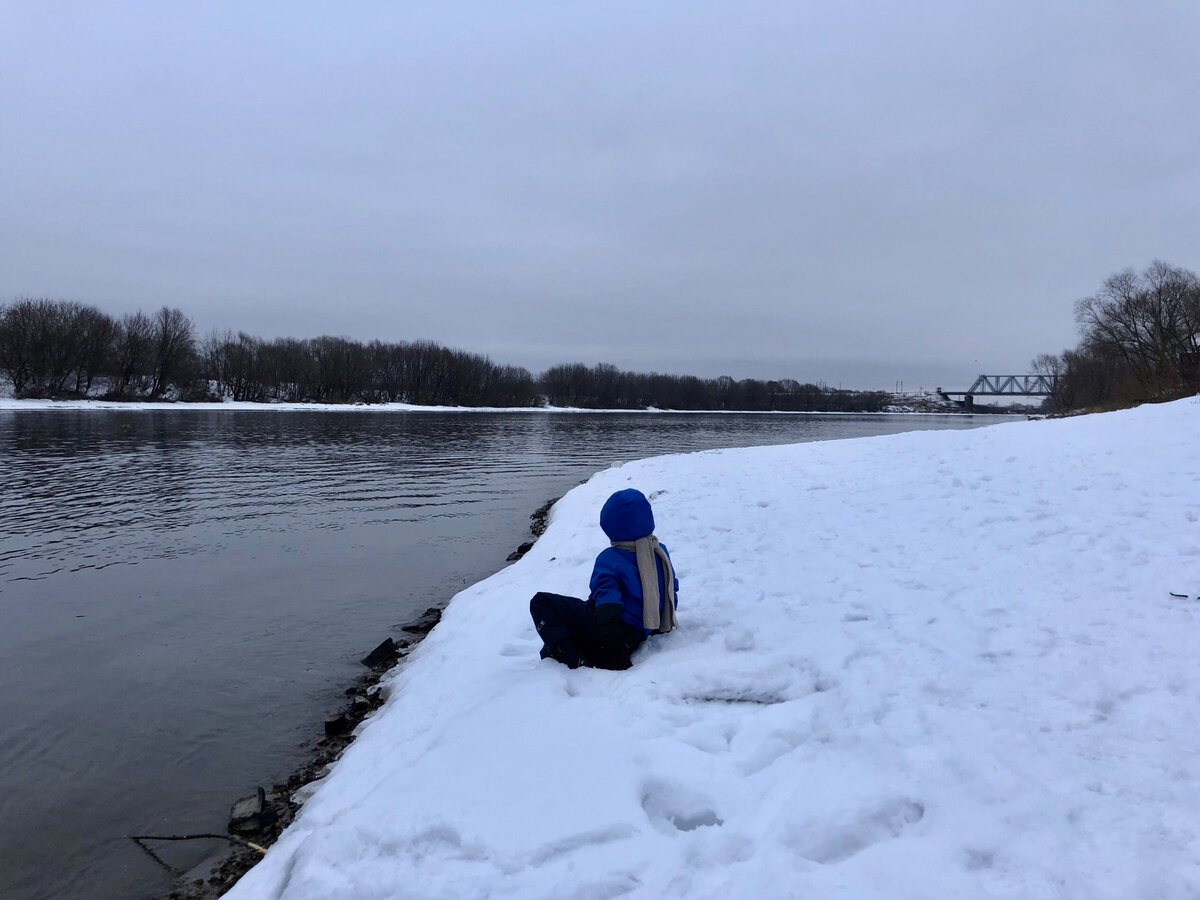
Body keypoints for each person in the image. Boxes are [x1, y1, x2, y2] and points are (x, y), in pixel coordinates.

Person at [530, 488, 678, 670]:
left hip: (617, 634)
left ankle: (575, 658)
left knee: (541, 602)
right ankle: (561, 647)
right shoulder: (659, 550)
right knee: (564, 629)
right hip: (640, 630)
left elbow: (608, 602)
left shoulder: (611, 557)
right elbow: (671, 589)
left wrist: (613, 648)